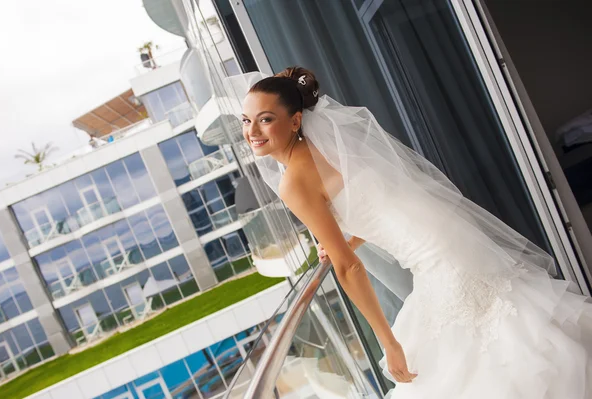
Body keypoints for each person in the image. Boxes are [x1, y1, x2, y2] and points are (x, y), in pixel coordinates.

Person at [235, 66, 592, 398]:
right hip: (450, 243)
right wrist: (347, 240)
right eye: (246, 120)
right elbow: (378, 206)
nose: (252, 131)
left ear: (295, 120)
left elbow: (348, 268)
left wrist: (387, 342)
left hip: (441, 262)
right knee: (513, 336)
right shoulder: (327, 148)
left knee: (476, 363)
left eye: (265, 120)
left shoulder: (293, 182)